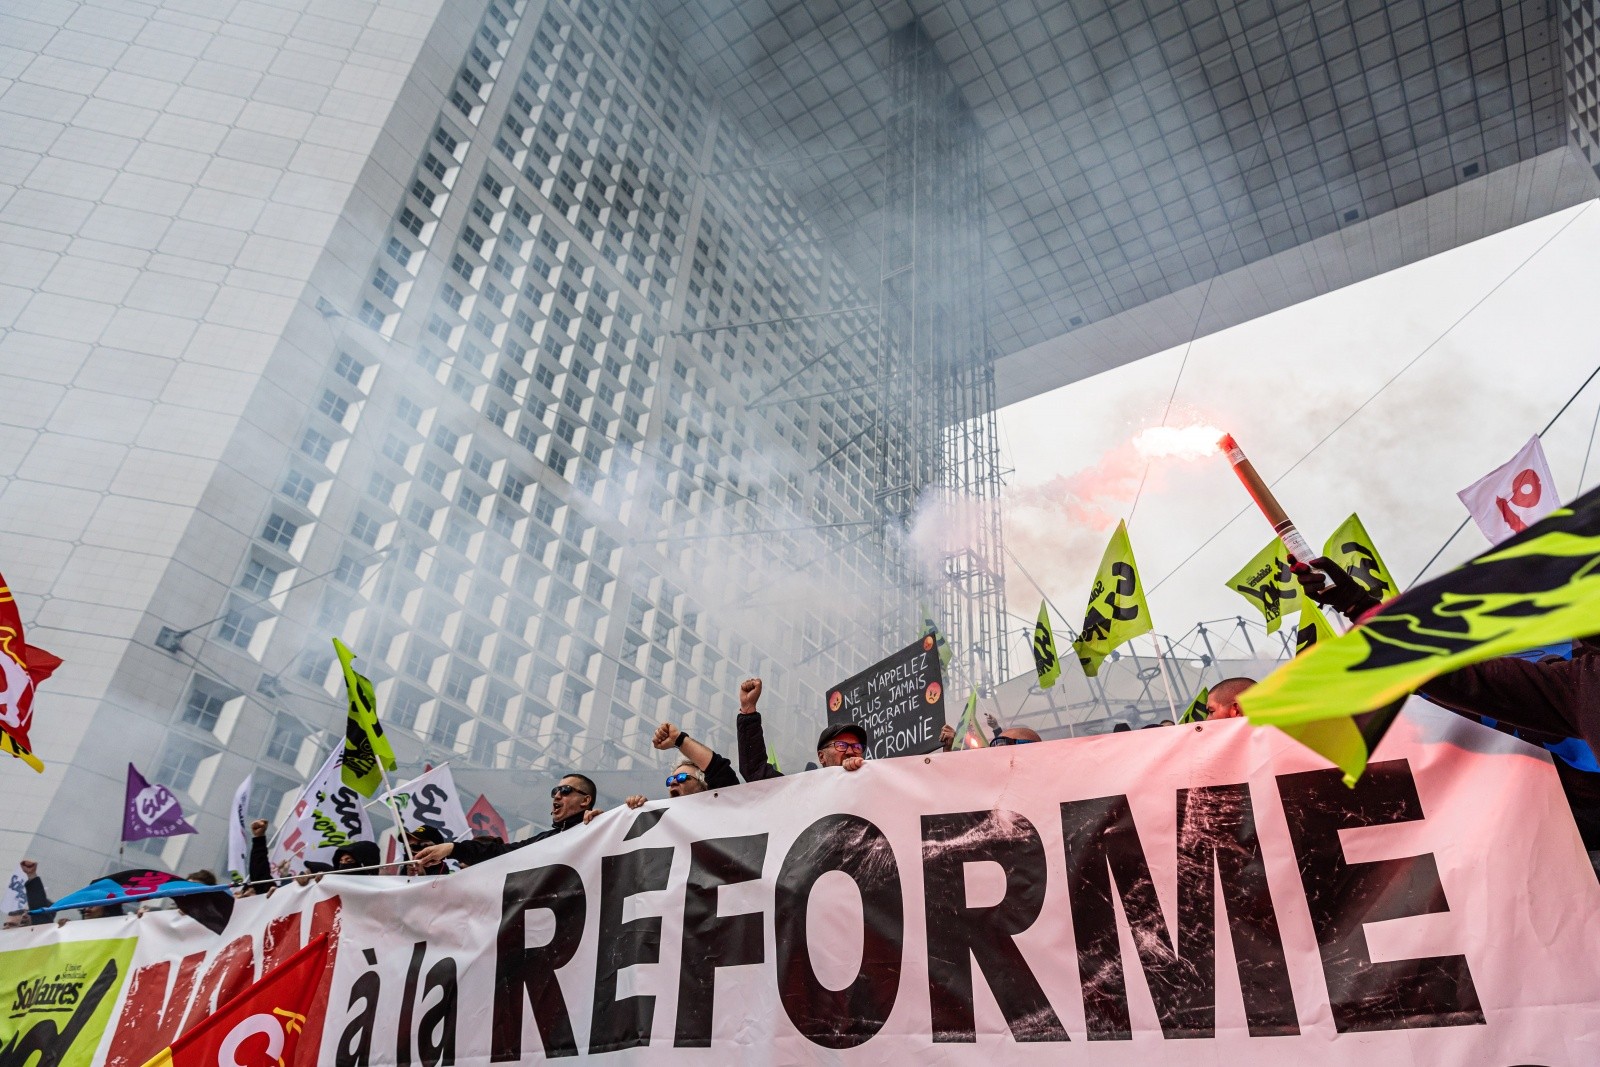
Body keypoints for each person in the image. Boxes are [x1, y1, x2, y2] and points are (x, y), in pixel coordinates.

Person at [411, 772, 599, 869]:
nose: (557, 796)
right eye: (554, 792)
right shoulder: (543, 840)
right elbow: (501, 853)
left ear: (585, 800)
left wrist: (628, 811)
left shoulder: (600, 828)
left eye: (565, 790)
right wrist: (452, 848)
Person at [735, 677, 867, 781]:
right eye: (841, 745)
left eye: (857, 747)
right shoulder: (804, 790)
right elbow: (755, 770)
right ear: (822, 757)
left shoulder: (871, 785)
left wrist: (863, 773)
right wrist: (748, 710)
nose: (851, 751)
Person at [623, 721, 741, 808]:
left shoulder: (723, 808)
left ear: (703, 786)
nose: (673, 782)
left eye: (682, 778)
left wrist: (678, 740)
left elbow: (718, 771)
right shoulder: (665, 824)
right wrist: (640, 812)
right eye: (670, 780)